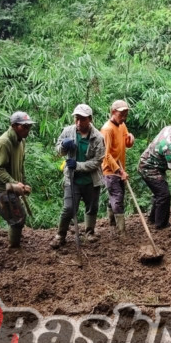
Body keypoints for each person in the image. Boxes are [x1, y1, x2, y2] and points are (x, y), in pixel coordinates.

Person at [50, 104, 105, 249]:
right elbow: (57, 151)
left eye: (83, 119)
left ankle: (89, 232)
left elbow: (98, 161)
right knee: (68, 208)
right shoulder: (68, 132)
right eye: (77, 119)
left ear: (90, 119)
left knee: (92, 207)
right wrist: (64, 146)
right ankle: (60, 235)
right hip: (72, 179)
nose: (79, 122)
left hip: (91, 180)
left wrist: (78, 165)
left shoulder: (98, 137)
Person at [0, 111, 35, 249]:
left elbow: (20, 165)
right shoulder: (3, 143)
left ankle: (14, 243)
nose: (27, 130)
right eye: (24, 127)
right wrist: (15, 183)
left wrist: (22, 183)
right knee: (17, 218)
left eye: (29, 126)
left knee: (17, 217)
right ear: (14, 126)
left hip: (11, 184)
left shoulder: (21, 141)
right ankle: (13, 248)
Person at [100, 100, 135, 237]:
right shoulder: (107, 130)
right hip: (110, 170)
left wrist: (130, 139)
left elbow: (126, 143)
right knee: (118, 197)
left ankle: (112, 224)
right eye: (122, 114)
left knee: (114, 198)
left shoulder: (122, 125)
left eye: (126, 114)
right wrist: (119, 171)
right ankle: (121, 231)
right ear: (113, 112)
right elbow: (106, 154)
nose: (124, 117)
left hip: (121, 167)